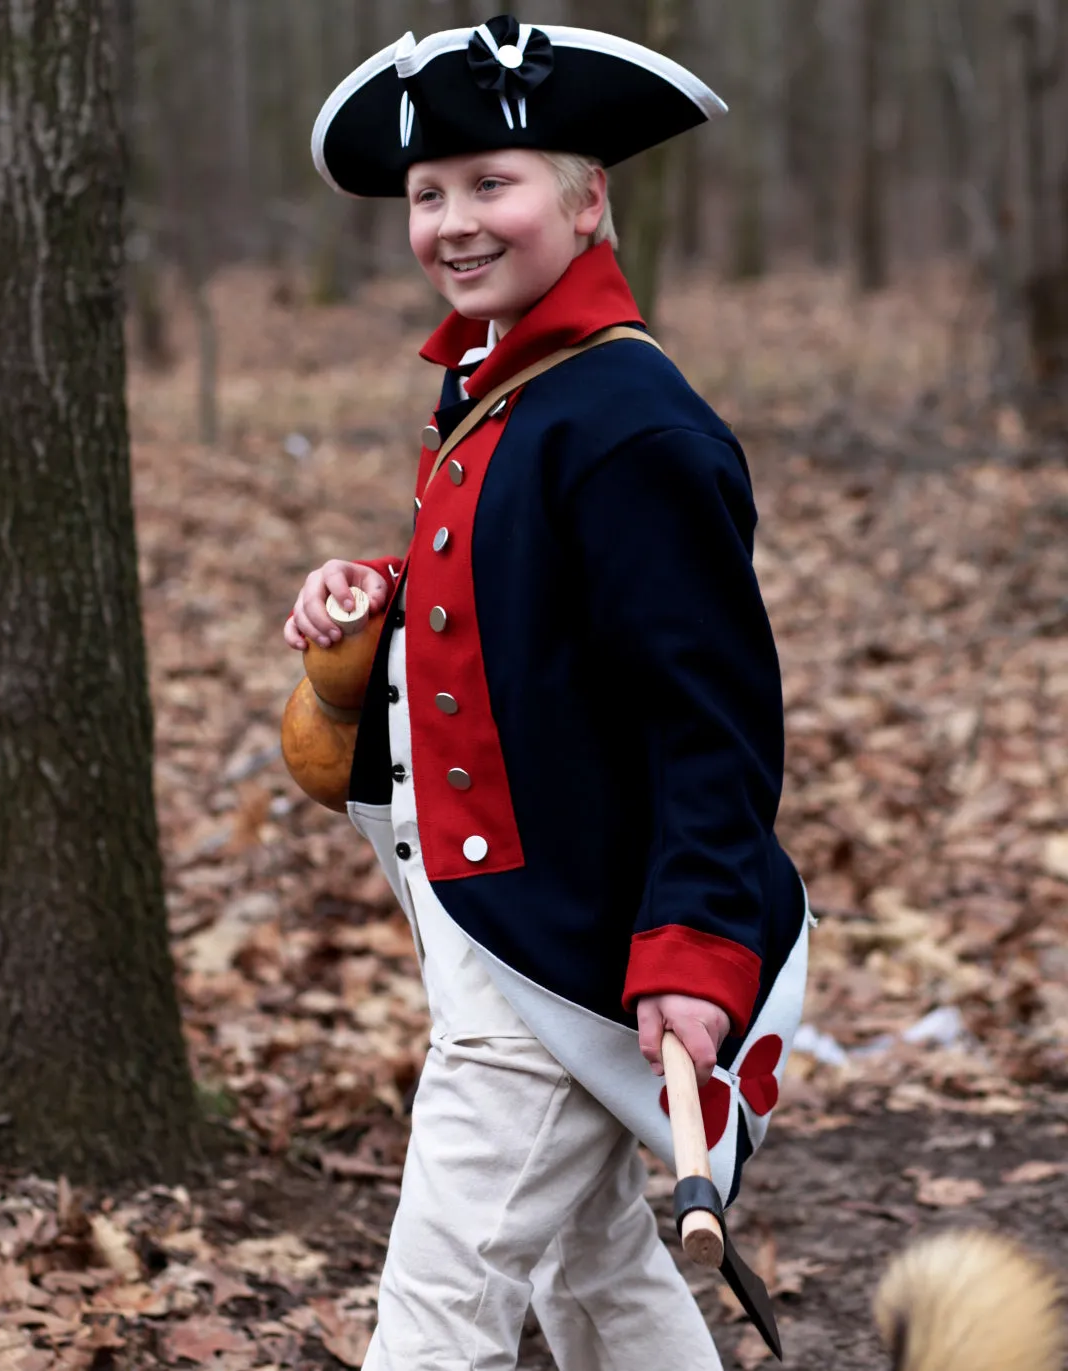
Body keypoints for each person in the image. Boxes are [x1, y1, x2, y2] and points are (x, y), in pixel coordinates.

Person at [286, 15, 810, 1370]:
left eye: (494, 184)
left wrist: (696, 950)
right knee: (592, 1271)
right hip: (496, 921)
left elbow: (713, 720)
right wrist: (379, 601)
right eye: (428, 194)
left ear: (588, 201)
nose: (455, 222)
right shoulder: (509, 388)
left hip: (577, 948)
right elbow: (523, 608)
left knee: (438, 1308)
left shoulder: (631, 419)